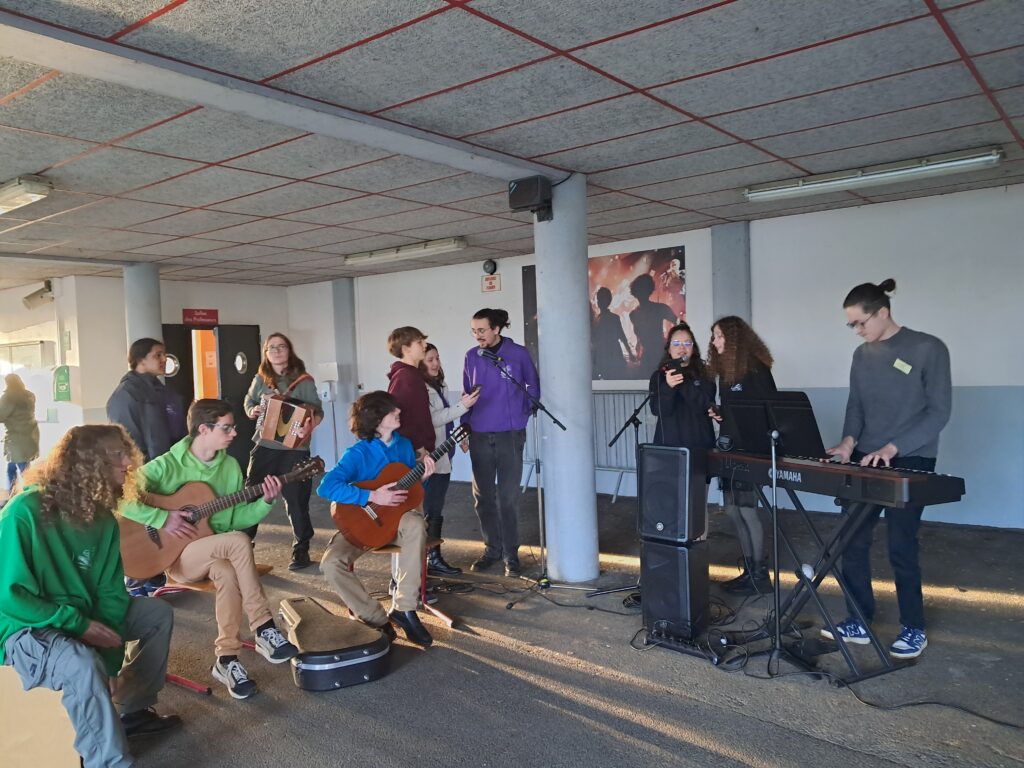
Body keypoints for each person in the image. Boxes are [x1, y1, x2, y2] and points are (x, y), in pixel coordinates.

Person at [0, 425, 180, 767]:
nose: (129, 463)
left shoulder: (104, 520)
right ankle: (109, 761)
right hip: (26, 626)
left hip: (81, 615)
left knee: (157, 614)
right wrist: (78, 625)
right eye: (118, 455)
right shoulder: (24, 511)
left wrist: (111, 664)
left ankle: (132, 711)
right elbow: (9, 597)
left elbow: (111, 593)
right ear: (86, 463)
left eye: (127, 453)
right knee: (80, 662)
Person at [119, 399, 298, 699]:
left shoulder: (230, 467)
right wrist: (162, 518)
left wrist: (265, 501)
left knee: (227, 572)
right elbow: (120, 496)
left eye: (233, 427)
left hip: (212, 550)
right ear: (203, 429)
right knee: (239, 541)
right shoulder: (166, 464)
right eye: (226, 428)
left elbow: (234, 519)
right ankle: (263, 625)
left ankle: (226, 659)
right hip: (175, 558)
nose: (234, 433)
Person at [822, 279, 951, 660]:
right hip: (866, 457)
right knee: (852, 538)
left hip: (911, 459)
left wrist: (893, 448)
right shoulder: (862, 356)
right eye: (851, 325)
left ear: (883, 312)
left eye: (861, 323)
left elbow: (939, 413)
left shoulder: (928, 348)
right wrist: (848, 442)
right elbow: (856, 405)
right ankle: (858, 619)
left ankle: (913, 627)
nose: (857, 331)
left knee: (901, 545)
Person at [317, 392, 435, 646]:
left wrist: (423, 477)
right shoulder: (357, 453)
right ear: (376, 419)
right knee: (331, 564)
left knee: (416, 523)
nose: (398, 412)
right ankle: (375, 618)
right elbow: (326, 487)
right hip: (363, 524)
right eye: (392, 410)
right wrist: (372, 495)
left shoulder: (404, 446)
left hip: (397, 522)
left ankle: (404, 608)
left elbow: (410, 492)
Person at [462, 308, 539, 577]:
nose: (477, 336)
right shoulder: (471, 356)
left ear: (496, 329)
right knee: (482, 497)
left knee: (508, 497)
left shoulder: (518, 354)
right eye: (474, 331)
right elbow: (466, 395)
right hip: (479, 434)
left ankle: (510, 554)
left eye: (481, 330)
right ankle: (491, 550)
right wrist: (465, 428)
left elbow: (533, 386)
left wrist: (522, 414)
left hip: (510, 435)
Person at [107, 338, 187, 597]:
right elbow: (128, 441)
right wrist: (140, 470)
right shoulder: (126, 395)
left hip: (166, 468)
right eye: (158, 355)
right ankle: (138, 579)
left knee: (163, 522)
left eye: (164, 354)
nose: (164, 360)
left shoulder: (159, 390)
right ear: (140, 359)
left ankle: (157, 574)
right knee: (140, 524)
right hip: (144, 471)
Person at [707, 316, 778, 596]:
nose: (714, 342)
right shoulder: (725, 373)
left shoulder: (756, 369)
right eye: (714, 336)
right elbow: (734, 411)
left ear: (734, 338)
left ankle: (760, 575)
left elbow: (769, 411)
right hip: (729, 450)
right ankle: (749, 570)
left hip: (750, 452)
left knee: (747, 511)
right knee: (733, 511)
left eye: (719, 336)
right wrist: (720, 413)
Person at [244, 332, 322, 570]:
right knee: (251, 494)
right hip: (264, 445)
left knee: (296, 499)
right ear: (266, 353)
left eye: (281, 346)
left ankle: (301, 548)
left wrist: (309, 425)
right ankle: (243, 546)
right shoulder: (261, 379)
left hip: (294, 448)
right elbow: (248, 402)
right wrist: (253, 411)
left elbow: (317, 411)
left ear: (289, 350)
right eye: (272, 348)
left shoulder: (304, 381)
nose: (277, 351)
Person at [421, 343, 479, 576]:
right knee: (430, 506)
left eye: (437, 358)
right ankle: (429, 559)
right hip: (430, 455)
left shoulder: (440, 384)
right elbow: (432, 420)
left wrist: (458, 436)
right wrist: (463, 406)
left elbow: (446, 418)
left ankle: (432, 557)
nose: (436, 363)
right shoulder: (421, 389)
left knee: (436, 507)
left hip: (445, 452)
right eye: (430, 360)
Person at [648, 323, 716, 451]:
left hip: (700, 444)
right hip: (669, 446)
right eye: (676, 343)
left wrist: (681, 379)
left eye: (687, 343)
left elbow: (704, 406)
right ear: (669, 349)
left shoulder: (705, 373)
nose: (682, 347)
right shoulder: (659, 376)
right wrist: (668, 387)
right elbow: (658, 410)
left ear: (693, 348)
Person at [386, 326, 434, 455]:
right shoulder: (406, 376)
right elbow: (403, 416)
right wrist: (418, 446)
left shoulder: (412, 374)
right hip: (413, 450)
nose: (425, 345)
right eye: (419, 342)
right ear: (406, 349)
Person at [0, 373, 40, 492]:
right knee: (13, 468)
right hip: (30, 435)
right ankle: (15, 493)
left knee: (24, 470)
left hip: (16, 439)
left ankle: (31, 493)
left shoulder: (8, 398)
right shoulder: (29, 395)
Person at [629, 273, 678, 368]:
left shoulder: (660, 308)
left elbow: (679, 323)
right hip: (647, 356)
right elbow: (640, 337)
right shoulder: (633, 314)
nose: (642, 292)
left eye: (643, 289)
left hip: (659, 355)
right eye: (640, 289)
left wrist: (672, 343)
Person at [592, 287, 636, 380]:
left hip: (612, 355)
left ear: (608, 301)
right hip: (603, 356)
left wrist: (630, 353)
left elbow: (622, 337)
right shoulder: (596, 320)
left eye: (602, 299)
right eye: (599, 299)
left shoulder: (613, 318)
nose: (600, 302)